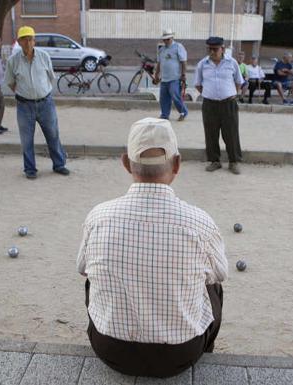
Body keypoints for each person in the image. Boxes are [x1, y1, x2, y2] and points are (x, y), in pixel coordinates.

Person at [77, 117, 227, 378]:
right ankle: (207, 351)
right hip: (181, 354)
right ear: (177, 164)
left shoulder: (98, 216)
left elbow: (82, 268)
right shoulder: (200, 222)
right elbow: (220, 274)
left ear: (126, 163)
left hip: (110, 349)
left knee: (92, 278)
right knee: (213, 287)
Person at [5, 26, 70, 179]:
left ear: (34, 41)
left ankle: (59, 165)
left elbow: (50, 77)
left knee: (53, 134)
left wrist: (40, 91)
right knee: (26, 139)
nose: (27, 42)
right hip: (24, 106)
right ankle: (30, 169)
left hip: (45, 103)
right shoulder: (12, 61)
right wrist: (26, 92)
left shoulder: (44, 56)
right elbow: (10, 82)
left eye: (30, 39)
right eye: (24, 39)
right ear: (19, 42)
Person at [194, 36, 245, 175]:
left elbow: (238, 81)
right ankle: (215, 161)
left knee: (231, 133)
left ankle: (233, 162)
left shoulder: (232, 62)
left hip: (228, 103)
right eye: (209, 49)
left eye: (215, 49)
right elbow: (198, 84)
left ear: (222, 49)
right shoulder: (202, 64)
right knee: (211, 133)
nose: (212, 52)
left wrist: (232, 93)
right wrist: (209, 94)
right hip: (209, 104)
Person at [154, 29, 188, 121]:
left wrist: (183, 74)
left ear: (172, 38)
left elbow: (183, 61)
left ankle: (183, 112)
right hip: (164, 78)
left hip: (175, 78)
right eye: (164, 39)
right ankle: (165, 115)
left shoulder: (178, 47)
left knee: (175, 95)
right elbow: (159, 63)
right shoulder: (161, 49)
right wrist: (156, 75)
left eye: (168, 39)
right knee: (163, 98)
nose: (166, 41)